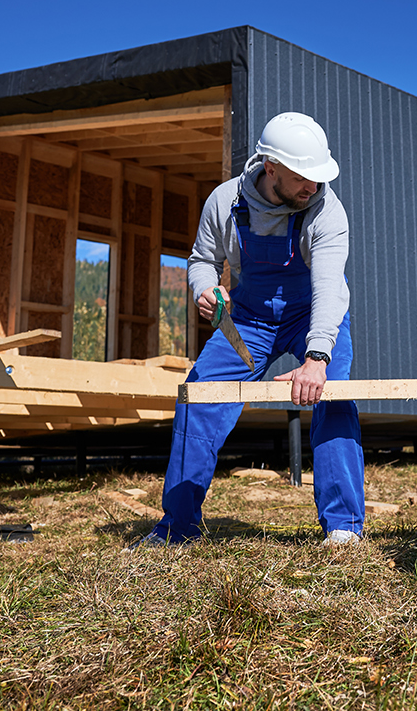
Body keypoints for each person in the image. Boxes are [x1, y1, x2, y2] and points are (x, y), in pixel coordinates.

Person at [132, 112, 364, 548]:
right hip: (250, 318)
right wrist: (205, 289)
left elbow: (331, 288)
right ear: (270, 167)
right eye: (302, 178)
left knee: (332, 397)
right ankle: (176, 528)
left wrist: (317, 359)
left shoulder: (327, 211)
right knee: (199, 397)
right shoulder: (224, 202)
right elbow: (202, 260)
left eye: (318, 178)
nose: (311, 188)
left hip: (313, 311)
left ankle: (343, 529)